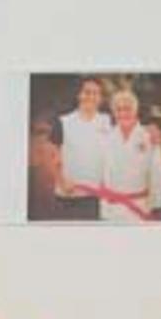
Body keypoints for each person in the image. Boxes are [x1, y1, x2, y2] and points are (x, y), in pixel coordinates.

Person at [96, 89, 161, 223]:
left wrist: (159, 204)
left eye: (127, 108)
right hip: (111, 208)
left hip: (139, 206)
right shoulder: (106, 137)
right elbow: (103, 172)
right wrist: (103, 204)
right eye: (118, 109)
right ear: (113, 112)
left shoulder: (148, 136)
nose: (123, 113)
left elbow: (157, 172)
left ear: (135, 110)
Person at [47, 78, 112, 221]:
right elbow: (53, 157)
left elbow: (130, 128)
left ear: (100, 98)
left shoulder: (108, 121)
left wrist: (151, 130)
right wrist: (61, 182)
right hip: (70, 194)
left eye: (96, 93)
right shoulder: (63, 121)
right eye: (87, 92)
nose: (91, 96)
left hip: (99, 194)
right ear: (79, 95)